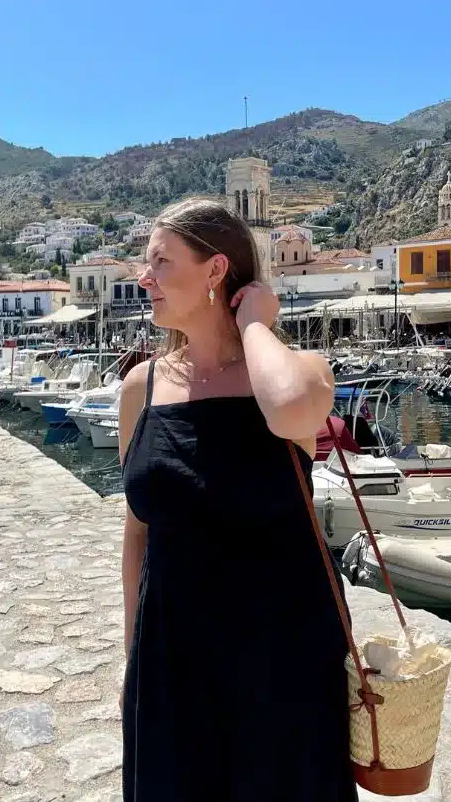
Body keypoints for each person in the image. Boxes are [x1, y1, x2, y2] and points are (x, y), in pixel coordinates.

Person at [118, 198, 355, 802]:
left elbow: (295, 410)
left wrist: (254, 322)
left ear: (216, 271)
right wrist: (132, 657)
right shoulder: (142, 387)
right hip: (172, 653)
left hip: (281, 654)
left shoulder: (296, 372)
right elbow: (138, 529)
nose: (144, 278)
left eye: (161, 263)